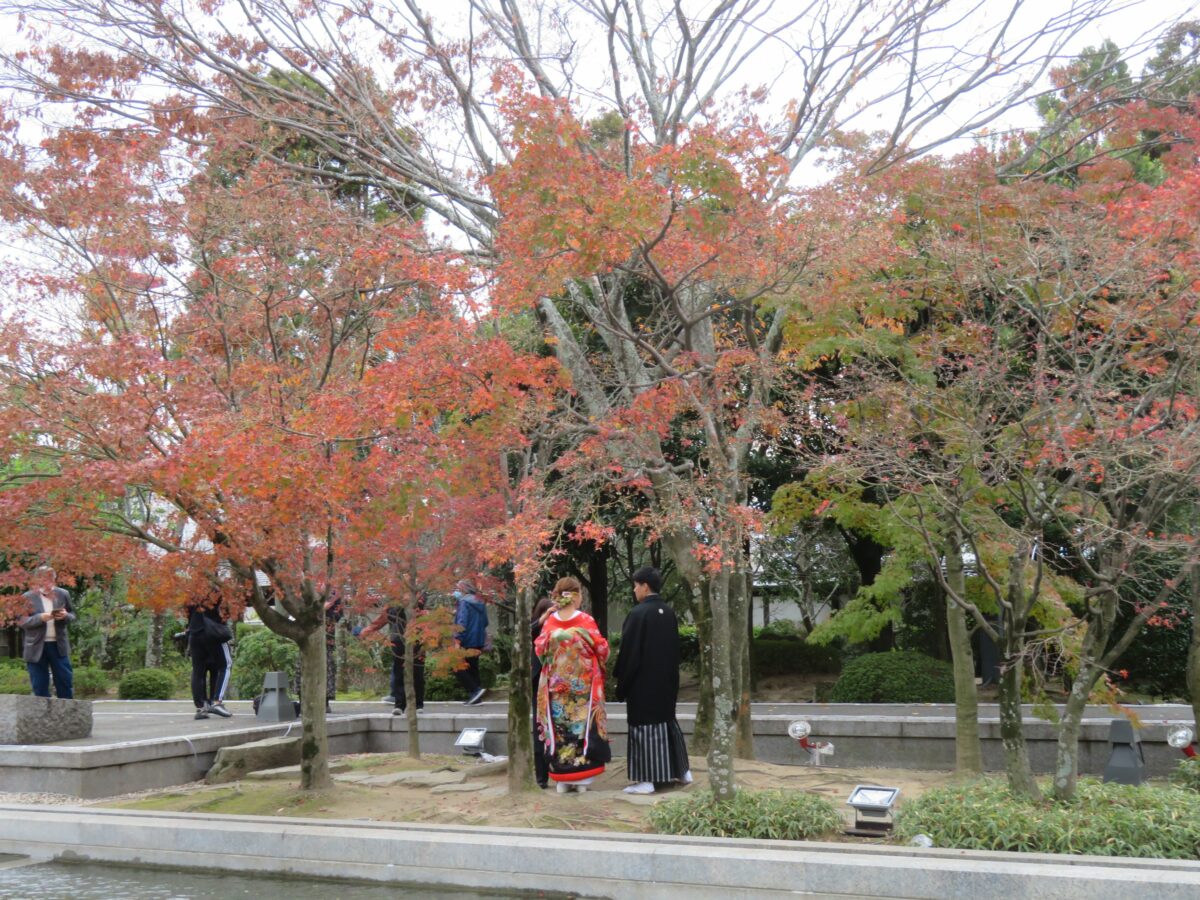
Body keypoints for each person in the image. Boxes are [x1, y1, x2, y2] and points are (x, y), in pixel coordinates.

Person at [613, 565, 691, 794]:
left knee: (644, 728)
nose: (634, 590)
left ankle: (646, 780)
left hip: (643, 684)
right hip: (667, 681)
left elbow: (629, 653)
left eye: (636, 586)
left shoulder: (638, 614)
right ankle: (682, 770)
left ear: (645, 587)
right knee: (668, 722)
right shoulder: (668, 612)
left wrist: (621, 684)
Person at [534, 577, 610, 793]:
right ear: (577, 596)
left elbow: (540, 652)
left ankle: (562, 778)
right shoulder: (585, 620)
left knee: (559, 730)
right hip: (582, 688)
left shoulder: (550, 622)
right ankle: (581, 780)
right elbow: (602, 649)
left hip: (556, 688)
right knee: (580, 730)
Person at [360, 594, 426, 716]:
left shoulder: (418, 596)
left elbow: (422, 612)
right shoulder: (392, 603)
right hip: (398, 640)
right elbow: (385, 617)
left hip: (417, 639)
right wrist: (369, 630)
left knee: (417, 672)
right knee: (399, 672)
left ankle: (418, 705)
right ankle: (399, 704)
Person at [20, 566, 75, 699]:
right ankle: (43, 716)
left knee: (64, 681)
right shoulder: (27, 597)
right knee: (39, 685)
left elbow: (73, 615)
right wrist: (40, 618)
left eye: (51, 578)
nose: (48, 582)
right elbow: (21, 621)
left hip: (58, 645)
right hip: (36, 646)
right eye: (44, 578)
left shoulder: (63, 594)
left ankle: (67, 714)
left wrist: (65, 616)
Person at [186, 593, 233, 720]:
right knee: (224, 666)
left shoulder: (190, 592)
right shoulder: (216, 589)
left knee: (198, 671)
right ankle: (217, 702)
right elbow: (225, 610)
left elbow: (187, 612)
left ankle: (201, 707)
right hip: (213, 632)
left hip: (195, 633)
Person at [530, 594, 556, 789]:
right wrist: (544, 618)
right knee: (540, 727)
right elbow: (529, 630)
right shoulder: (535, 630)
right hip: (539, 680)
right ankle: (541, 776)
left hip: (557, 680)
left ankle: (558, 771)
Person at [452, 579, 488, 705]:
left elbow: (462, 623)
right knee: (473, 668)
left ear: (463, 589)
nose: (456, 591)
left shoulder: (464, 602)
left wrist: (457, 639)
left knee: (457, 667)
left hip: (466, 640)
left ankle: (475, 690)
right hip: (478, 640)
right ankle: (476, 697)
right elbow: (485, 622)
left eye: (458, 589)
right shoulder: (480, 602)